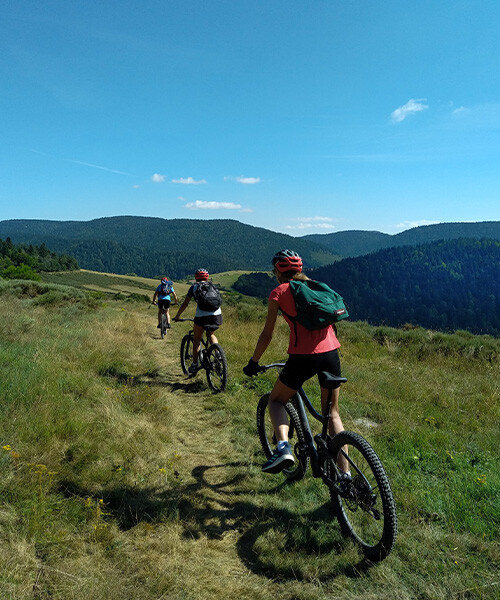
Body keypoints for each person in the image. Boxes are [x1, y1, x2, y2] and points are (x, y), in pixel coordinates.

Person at [243, 249, 347, 474]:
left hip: (303, 357)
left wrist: (254, 361)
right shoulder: (316, 287)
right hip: (331, 353)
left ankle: (283, 448)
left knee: (276, 401)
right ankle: (346, 476)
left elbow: (267, 334)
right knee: (333, 415)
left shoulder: (279, 292)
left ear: (278, 272)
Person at [173, 269, 222, 374]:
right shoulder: (213, 286)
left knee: (197, 340)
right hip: (217, 315)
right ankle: (218, 354)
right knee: (211, 334)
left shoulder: (194, 287)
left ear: (196, 278)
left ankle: (195, 365)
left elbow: (185, 304)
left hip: (201, 316)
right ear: (207, 277)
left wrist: (177, 316)